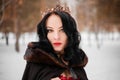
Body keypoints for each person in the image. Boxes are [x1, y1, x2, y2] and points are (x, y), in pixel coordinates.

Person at [22, 5, 88, 80]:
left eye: (62, 30)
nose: (56, 37)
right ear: (44, 33)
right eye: (50, 30)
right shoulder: (37, 62)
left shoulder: (76, 62)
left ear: (70, 33)